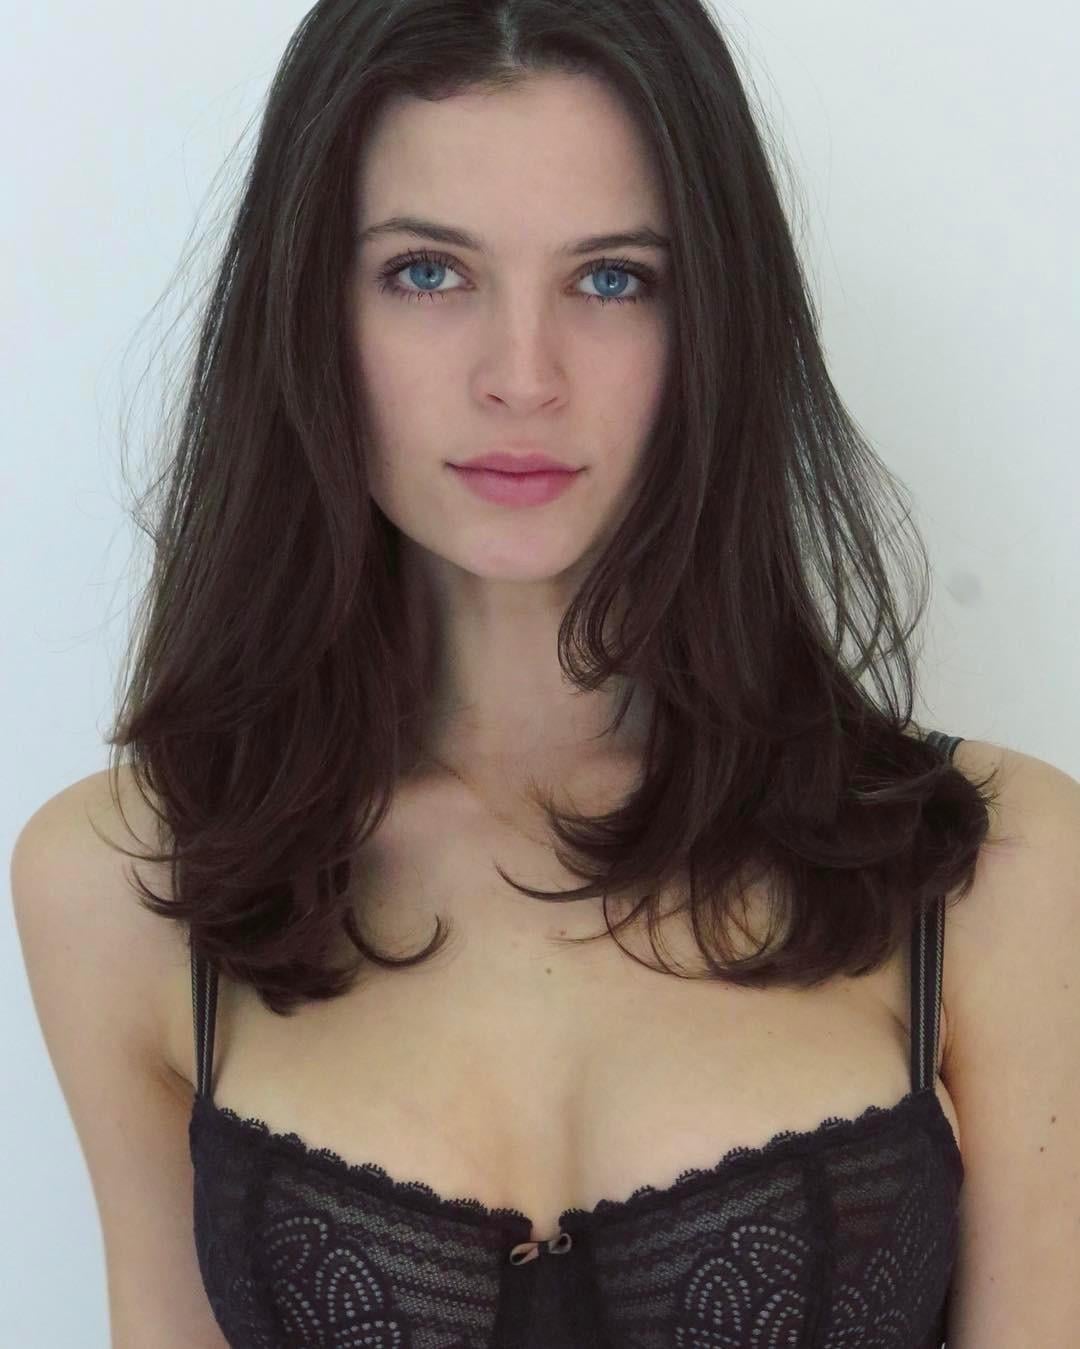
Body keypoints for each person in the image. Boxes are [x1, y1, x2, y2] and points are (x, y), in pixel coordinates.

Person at [12, 1, 1080, 1345]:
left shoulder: (998, 869)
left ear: (716, 322)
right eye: (426, 273)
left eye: (613, 279)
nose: (522, 377)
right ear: (309, 311)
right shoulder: (122, 883)